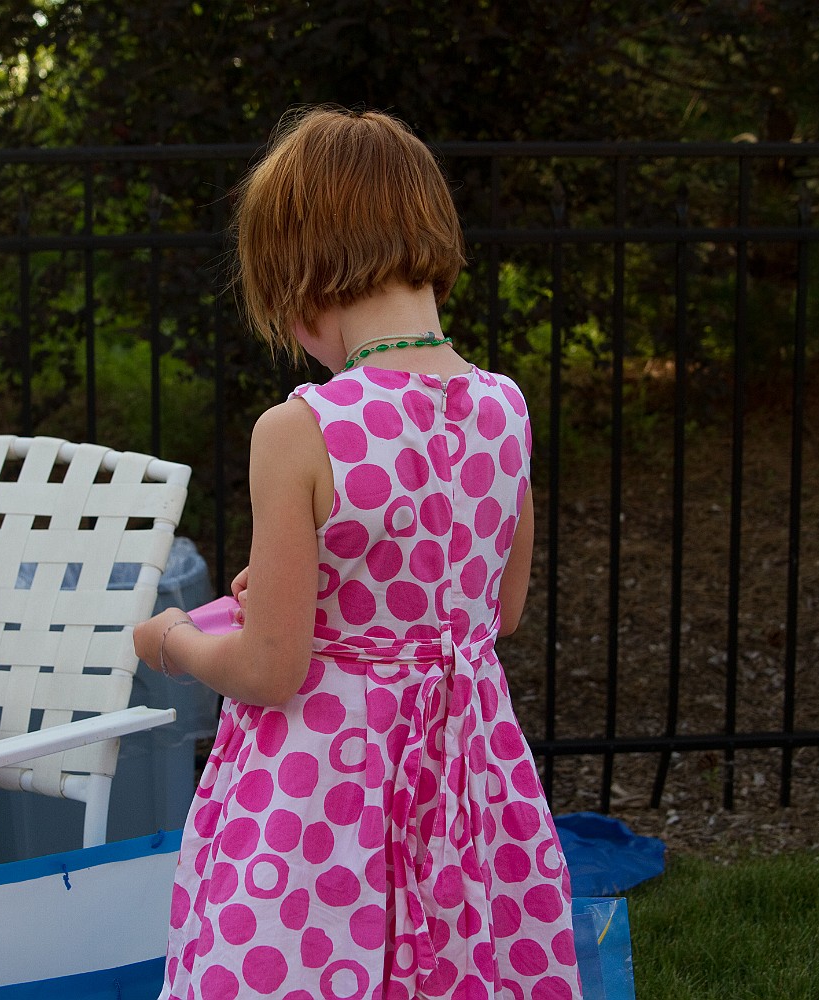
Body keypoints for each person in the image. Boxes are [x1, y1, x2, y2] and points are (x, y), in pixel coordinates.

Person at [132, 106, 582, 1000]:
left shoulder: (302, 428)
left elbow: (271, 669)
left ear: (301, 278)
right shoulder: (505, 407)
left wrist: (172, 640)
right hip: (468, 792)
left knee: (305, 968)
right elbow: (496, 611)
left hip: (325, 800)